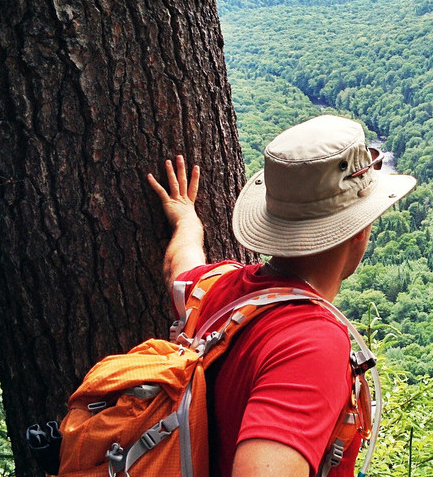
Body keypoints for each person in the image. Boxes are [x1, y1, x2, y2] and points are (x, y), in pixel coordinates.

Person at [147, 114, 416, 477]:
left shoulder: (219, 288)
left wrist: (186, 222)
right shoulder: (313, 345)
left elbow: (177, 269)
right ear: (359, 229)